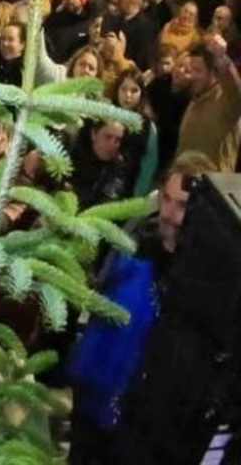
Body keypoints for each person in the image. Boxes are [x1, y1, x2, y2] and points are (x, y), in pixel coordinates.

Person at [68, 152, 217, 462]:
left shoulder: (204, 278)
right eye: (167, 199)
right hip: (94, 401)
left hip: (144, 424)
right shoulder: (137, 244)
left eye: (182, 205)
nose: (169, 213)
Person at [173, 41, 241, 170]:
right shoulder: (194, 100)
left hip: (214, 186)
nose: (192, 76)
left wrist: (222, 59)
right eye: (190, 70)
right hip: (184, 183)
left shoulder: (225, 101)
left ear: (214, 73)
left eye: (198, 71)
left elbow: (236, 93)